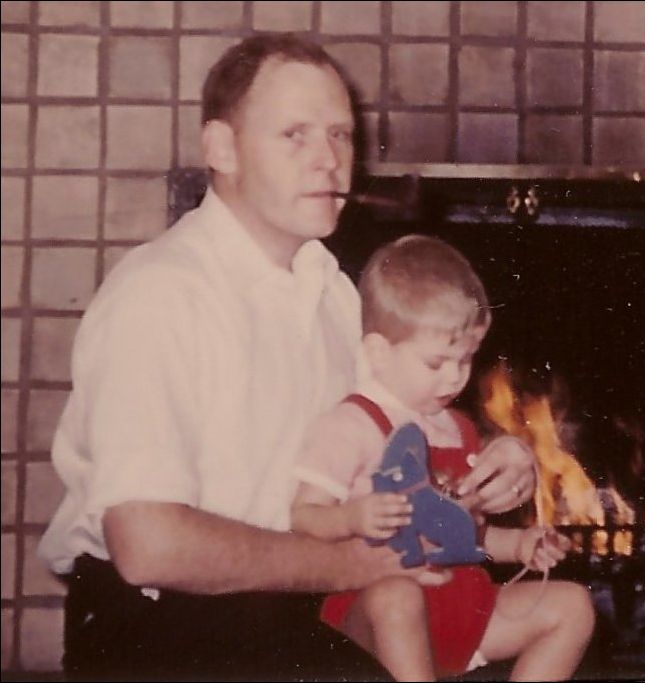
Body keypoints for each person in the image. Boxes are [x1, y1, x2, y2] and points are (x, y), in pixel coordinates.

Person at [37, 33, 538, 682]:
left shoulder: (328, 289)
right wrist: (356, 566)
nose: (329, 161)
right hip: (158, 631)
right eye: (295, 135)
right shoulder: (161, 293)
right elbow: (149, 544)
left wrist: (504, 458)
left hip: (288, 609)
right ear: (221, 149)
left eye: (340, 135)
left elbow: (393, 434)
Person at [291, 235, 596, 682]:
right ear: (378, 352)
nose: (454, 377)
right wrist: (353, 518)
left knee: (573, 606)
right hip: (378, 614)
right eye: (436, 363)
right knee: (398, 598)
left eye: (466, 359)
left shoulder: (459, 429)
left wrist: (520, 546)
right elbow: (303, 516)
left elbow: (468, 530)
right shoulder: (352, 424)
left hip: (461, 611)